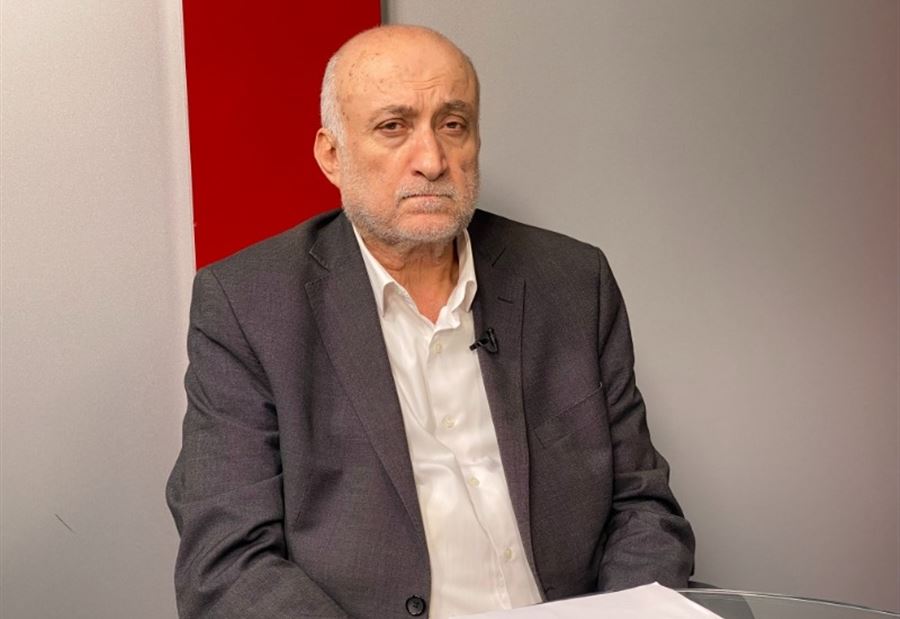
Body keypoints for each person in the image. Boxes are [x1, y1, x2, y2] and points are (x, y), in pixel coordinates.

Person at [167, 24, 695, 619]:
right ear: (332, 155)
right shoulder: (248, 305)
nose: (432, 161)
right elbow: (227, 563)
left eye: (453, 124)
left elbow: (643, 507)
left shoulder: (572, 281)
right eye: (393, 127)